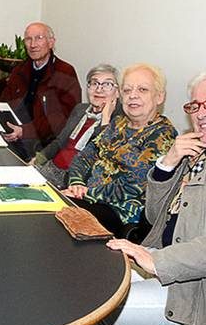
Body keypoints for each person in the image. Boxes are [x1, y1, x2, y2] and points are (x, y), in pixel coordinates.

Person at [70, 68, 206, 325]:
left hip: (193, 291)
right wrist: (167, 164)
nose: (202, 112)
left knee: (84, 306)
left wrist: (155, 258)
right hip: (159, 266)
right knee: (74, 285)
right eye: (196, 104)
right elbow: (154, 213)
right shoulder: (197, 149)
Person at [62, 63, 177, 236]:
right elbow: (85, 156)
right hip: (89, 199)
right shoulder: (117, 123)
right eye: (127, 90)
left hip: (119, 213)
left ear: (159, 97)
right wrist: (77, 183)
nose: (133, 96)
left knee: (56, 211)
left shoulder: (163, 134)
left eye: (142, 90)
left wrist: (86, 193)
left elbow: (135, 185)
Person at [0, 22, 82, 160]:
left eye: (39, 38)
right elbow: (5, 101)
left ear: (51, 43)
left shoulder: (65, 72)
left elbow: (62, 119)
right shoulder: (20, 70)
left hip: (43, 141)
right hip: (14, 132)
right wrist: (1, 123)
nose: (33, 44)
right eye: (28, 39)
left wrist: (25, 131)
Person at [30, 63, 120, 188]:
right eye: (94, 83)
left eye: (107, 84)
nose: (99, 89)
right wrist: (37, 160)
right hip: (50, 168)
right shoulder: (80, 109)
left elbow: (103, 155)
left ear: (117, 93)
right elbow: (59, 142)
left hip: (72, 181)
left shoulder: (119, 121)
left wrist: (105, 117)